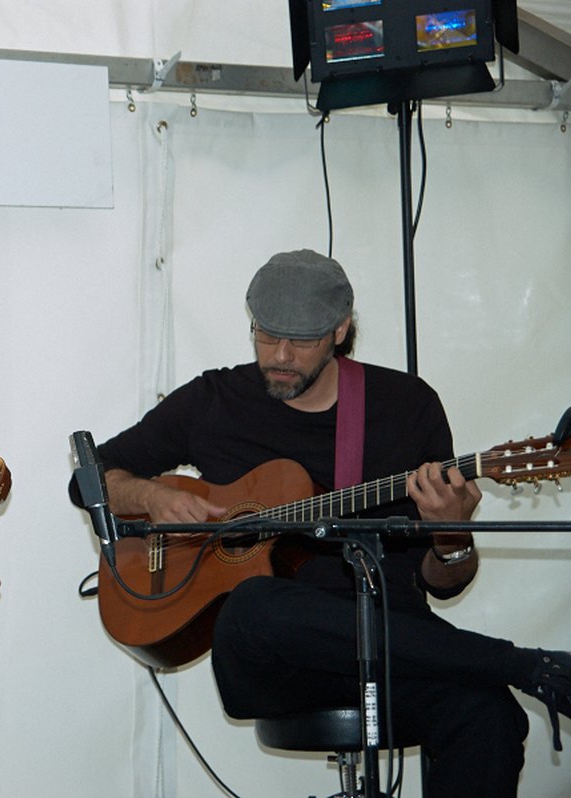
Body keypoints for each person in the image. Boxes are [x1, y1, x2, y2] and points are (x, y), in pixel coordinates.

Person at [87, 249, 571, 798]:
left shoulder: (406, 406)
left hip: (390, 645)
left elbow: (443, 583)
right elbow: (91, 477)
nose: (281, 355)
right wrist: (150, 495)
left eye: (302, 340)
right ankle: (522, 663)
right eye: (266, 335)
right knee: (256, 603)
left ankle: (515, 673)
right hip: (274, 659)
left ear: (340, 331)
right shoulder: (214, 401)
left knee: (489, 714)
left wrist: (450, 536)